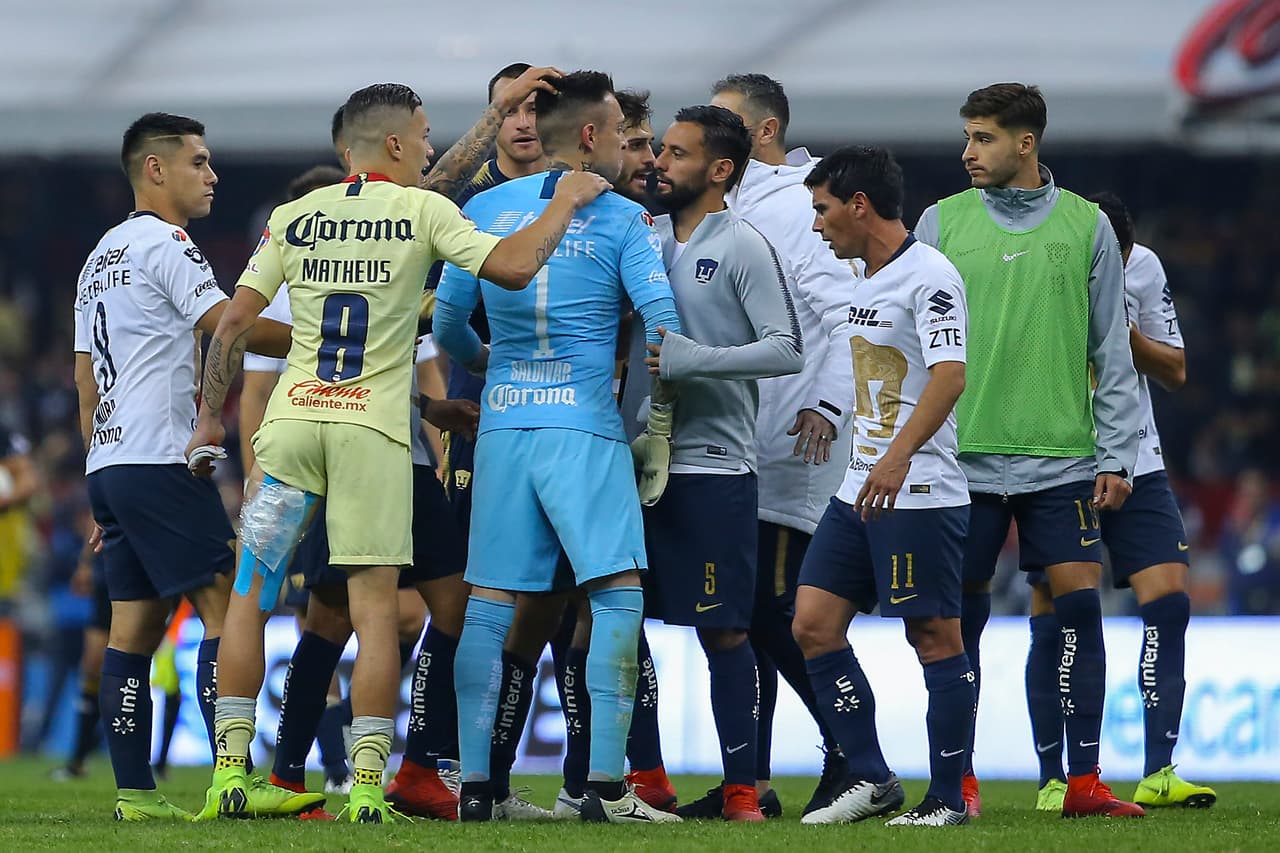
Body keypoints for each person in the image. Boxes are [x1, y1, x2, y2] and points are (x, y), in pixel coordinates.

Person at [187, 81, 609, 824]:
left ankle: (229, 773)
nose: (428, 146)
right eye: (421, 134)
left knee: (252, 592)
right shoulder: (423, 210)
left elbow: (230, 327)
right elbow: (511, 267)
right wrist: (564, 202)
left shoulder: (293, 216)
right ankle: (373, 786)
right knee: (376, 612)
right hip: (369, 436)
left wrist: (206, 423)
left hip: (291, 425)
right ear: (391, 144)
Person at [433, 69, 682, 825]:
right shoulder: (621, 219)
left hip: (506, 427)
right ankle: (606, 786)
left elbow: (446, 328)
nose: (628, 149)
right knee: (616, 594)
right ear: (587, 138)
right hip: (584, 429)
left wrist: (494, 372)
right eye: (617, 133)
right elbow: (662, 328)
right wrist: (660, 431)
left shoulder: (483, 206)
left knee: (489, 604)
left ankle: (476, 785)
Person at [914, 82, 1144, 818]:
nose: (967, 151)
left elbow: (1109, 347)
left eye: (981, 138)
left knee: (1080, 609)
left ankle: (1083, 782)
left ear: (1025, 143)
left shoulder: (1086, 226)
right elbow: (907, 343)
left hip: (1063, 458)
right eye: (967, 136)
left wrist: (1118, 453)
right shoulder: (939, 221)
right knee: (961, 623)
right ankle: (962, 781)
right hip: (964, 459)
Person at [72, 112, 292, 820]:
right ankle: (235, 776)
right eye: (198, 161)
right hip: (162, 455)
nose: (213, 174)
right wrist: (331, 331)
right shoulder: (169, 244)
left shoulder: (98, 256)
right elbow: (229, 325)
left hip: (110, 460)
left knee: (133, 627)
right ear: (156, 169)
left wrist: (98, 480)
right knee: (227, 603)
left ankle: (135, 794)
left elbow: (85, 382)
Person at [621, 104, 804, 822]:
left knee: (723, 630)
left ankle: (741, 790)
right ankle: (643, 778)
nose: (658, 163)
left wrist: (702, 361)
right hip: (634, 462)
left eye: (676, 153)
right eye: (659, 150)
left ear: (720, 169)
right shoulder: (643, 239)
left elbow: (787, 347)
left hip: (714, 466)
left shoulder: (743, 245)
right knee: (617, 617)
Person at [791, 145, 972, 826]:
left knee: (932, 635)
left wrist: (896, 458)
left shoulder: (930, 275)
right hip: (860, 487)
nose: (817, 225)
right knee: (811, 623)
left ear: (858, 206)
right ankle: (871, 775)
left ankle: (948, 799)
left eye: (823, 209)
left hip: (916, 488)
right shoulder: (867, 276)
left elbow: (950, 374)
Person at [1023, 192, 1215, 811]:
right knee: (1059, 611)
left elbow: (1176, 370)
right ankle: (1056, 776)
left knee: (1171, 601)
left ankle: (1159, 770)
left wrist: (1117, 330)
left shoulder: (1144, 268)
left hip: (1140, 458)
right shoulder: (1035, 264)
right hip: (1058, 464)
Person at [708, 71, 857, 818]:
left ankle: (854, 755)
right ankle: (756, 777)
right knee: (748, 609)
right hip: (746, 436)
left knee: (775, 607)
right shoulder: (733, 203)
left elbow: (843, 313)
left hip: (794, 435)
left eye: (725, 120)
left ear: (763, 131)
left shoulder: (800, 203)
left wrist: (828, 404)